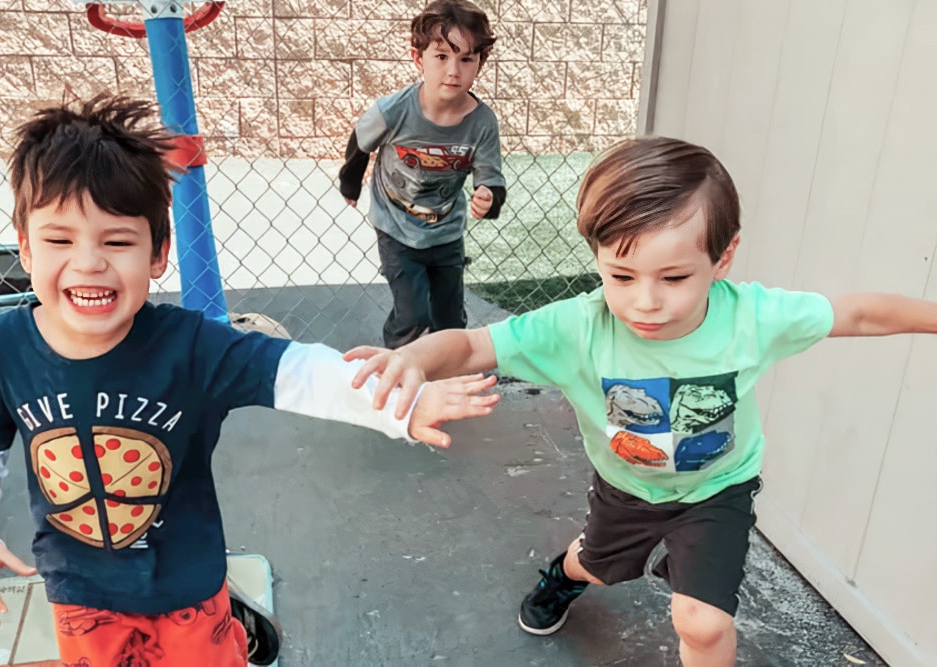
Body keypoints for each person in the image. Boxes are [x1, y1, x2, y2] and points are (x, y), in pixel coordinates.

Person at [0, 93, 499, 667]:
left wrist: (400, 405)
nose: (88, 262)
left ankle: (232, 622)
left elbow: (296, 370)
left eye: (116, 241)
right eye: (60, 240)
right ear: (26, 246)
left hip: (186, 579)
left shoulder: (191, 346)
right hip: (79, 587)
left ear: (158, 253)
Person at [344, 135, 937, 666]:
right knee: (597, 565)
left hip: (717, 490)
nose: (645, 302)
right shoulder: (576, 329)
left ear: (722, 258)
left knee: (701, 622)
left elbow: (859, 313)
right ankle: (564, 575)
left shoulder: (753, 318)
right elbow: (473, 345)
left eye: (673, 278)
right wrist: (416, 358)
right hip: (627, 488)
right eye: (621, 276)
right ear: (599, 261)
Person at [338, 0, 506, 349]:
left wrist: (488, 197)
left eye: (466, 59)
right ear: (419, 58)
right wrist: (350, 182)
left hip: (446, 230)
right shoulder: (393, 111)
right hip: (397, 226)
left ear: (480, 62)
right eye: (442, 56)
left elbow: (491, 176)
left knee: (449, 318)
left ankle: (448, 375)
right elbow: (361, 142)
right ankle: (399, 371)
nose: (453, 71)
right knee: (413, 314)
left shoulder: (482, 123)